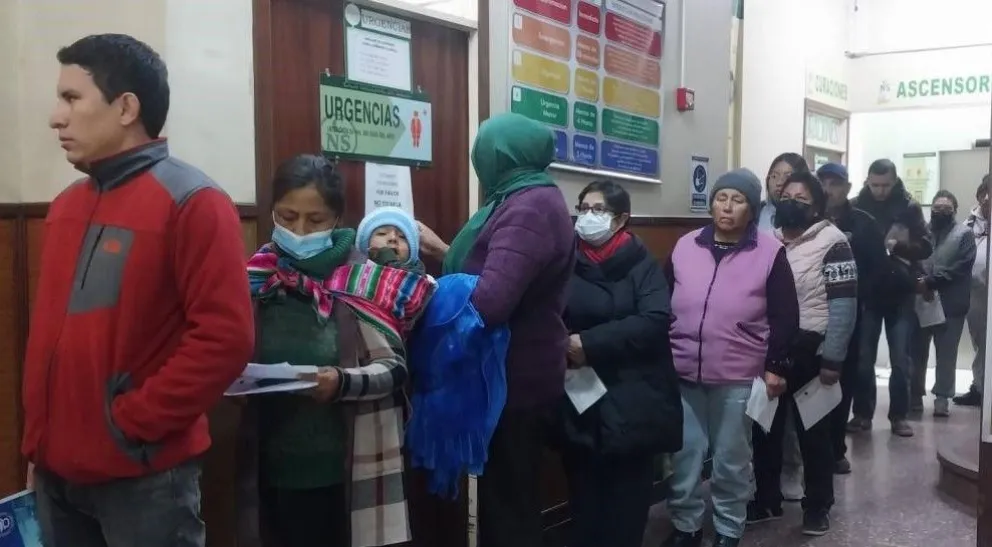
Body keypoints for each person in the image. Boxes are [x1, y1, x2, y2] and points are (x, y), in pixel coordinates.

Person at [21, 34, 254, 547]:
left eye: (72, 98)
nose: (56, 117)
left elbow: (225, 338)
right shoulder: (65, 206)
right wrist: (39, 447)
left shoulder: (193, 201)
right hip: (57, 475)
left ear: (126, 107)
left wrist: (134, 422)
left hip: (146, 479)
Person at [239, 155, 435, 547]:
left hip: (344, 471)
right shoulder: (258, 276)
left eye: (315, 221)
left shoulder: (365, 279)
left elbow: (395, 369)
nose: (298, 230)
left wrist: (341, 382)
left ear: (337, 220)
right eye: (287, 216)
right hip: (269, 466)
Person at [417, 112, 576, 547]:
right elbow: (497, 272)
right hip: (513, 372)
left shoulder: (528, 208)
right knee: (507, 496)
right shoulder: (521, 197)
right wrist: (442, 251)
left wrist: (429, 296)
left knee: (510, 503)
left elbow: (491, 301)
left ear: (499, 155)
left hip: (515, 380)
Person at [664, 169, 799, 547]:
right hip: (684, 369)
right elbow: (663, 300)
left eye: (737, 200)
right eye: (721, 198)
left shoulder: (770, 252)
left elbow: (785, 316)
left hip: (740, 373)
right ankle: (686, 526)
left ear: (752, 209)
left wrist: (776, 366)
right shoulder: (686, 245)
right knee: (685, 456)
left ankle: (728, 529)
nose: (727, 207)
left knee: (731, 459)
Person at [556, 180, 682, 547]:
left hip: (634, 397)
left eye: (599, 210)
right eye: (583, 208)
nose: (587, 217)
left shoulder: (640, 262)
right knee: (584, 499)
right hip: (580, 393)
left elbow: (655, 319)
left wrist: (591, 343)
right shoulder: (565, 259)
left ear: (622, 219)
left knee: (625, 506)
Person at [748, 171, 858, 537]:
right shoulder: (767, 240)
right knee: (765, 429)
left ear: (816, 206)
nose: (793, 202)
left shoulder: (833, 242)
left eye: (803, 198)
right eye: (787, 195)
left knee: (815, 435)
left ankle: (817, 506)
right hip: (773, 347)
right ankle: (766, 499)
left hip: (813, 349)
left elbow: (844, 306)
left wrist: (833, 360)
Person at [849, 159, 933, 437]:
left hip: (900, 292)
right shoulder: (856, 206)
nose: (880, 191)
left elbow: (926, 246)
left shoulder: (909, 207)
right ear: (867, 181)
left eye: (885, 185)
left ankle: (899, 416)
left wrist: (900, 246)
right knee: (863, 359)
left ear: (895, 182)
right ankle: (862, 414)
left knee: (900, 359)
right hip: (868, 291)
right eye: (875, 185)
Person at [817, 162, 887, 475]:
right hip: (812, 314)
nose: (829, 189)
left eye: (836, 183)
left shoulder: (864, 223)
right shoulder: (807, 220)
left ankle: (835, 448)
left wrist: (859, 298)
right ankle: (810, 450)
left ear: (847, 187)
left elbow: (878, 269)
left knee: (844, 377)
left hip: (852, 313)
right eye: (824, 182)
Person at [756, 153, 809, 502]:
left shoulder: (807, 219)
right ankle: (758, 476)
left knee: (788, 407)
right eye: (773, 175)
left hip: (797, 319)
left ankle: (793, 469)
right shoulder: (755, 211)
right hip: (755, 318)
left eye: (786, 176)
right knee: (758, 407)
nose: (778, 182)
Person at [910, 190, 976, 417]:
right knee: (917, 353)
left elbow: (962, 266)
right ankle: (915, 396)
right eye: (936, 208)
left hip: (951, 305)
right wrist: (920, 281)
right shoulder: (922, 233)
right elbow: (913, 259)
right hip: (922, 303)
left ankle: (942, 398)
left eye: (946, 209)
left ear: (955, 211)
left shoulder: (964, 234)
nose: (940, 212)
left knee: (946, 355)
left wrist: (931, 281)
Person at [955, 175, 990, 407]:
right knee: (980, 342)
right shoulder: (969, 223)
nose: (987, 198)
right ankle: (980, 388)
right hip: (976, 291)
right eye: (984, 193)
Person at [758, 153, 810, 231]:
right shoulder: (756, 213)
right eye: (774, 176)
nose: (779, 182)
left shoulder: (809, 220)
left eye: (788, 176)